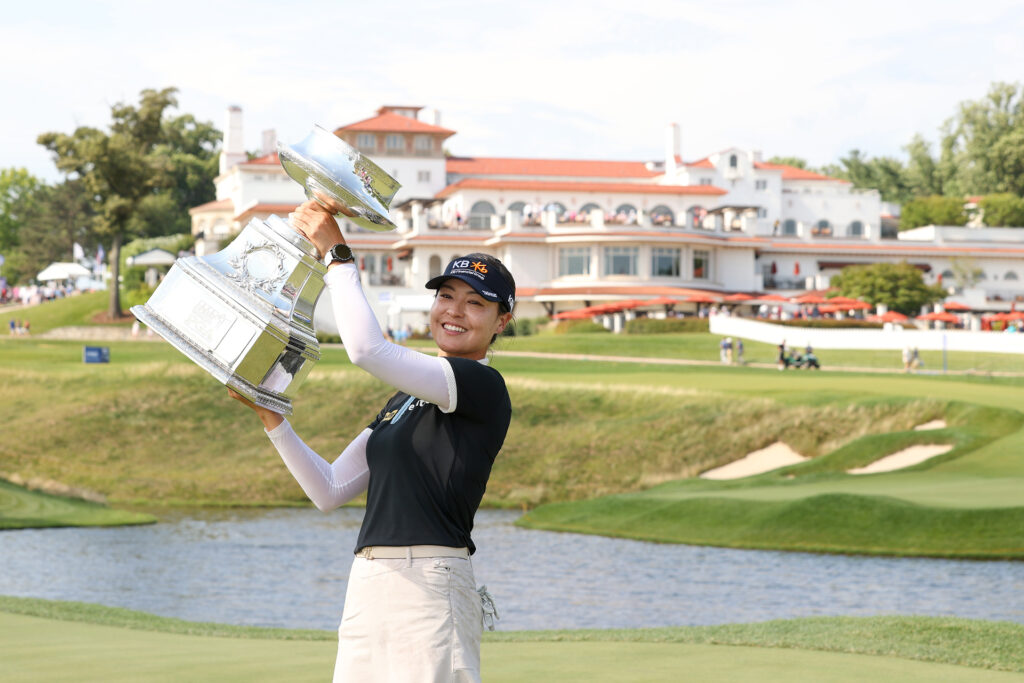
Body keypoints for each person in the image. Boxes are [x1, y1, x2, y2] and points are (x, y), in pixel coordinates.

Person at [229, 196, 515, 683]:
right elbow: (331, 489)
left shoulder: (482, 386)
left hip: (430, 584)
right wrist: (272, 417)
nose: (455, 311)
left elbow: (365, 349)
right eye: (447, 296)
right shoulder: (404, 397)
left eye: (476, 303)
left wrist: (338, 257)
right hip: (369, 580)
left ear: (501, 321)